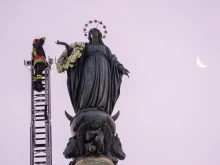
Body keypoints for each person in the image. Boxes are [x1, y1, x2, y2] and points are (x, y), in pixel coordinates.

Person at [55, 28, 129, 115]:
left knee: (102, 86)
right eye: (91, 32)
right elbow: (75, 54)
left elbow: (113, 60)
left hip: (103, 68)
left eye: (95, 31)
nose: (93, 32)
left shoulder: (105, 48)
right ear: (89, 35)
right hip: (89, 67)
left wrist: (121, 68)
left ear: (99, 34)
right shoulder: (85, 47)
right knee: (88, 84)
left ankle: (102, 107)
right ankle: (85, 106)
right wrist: (66, 45)